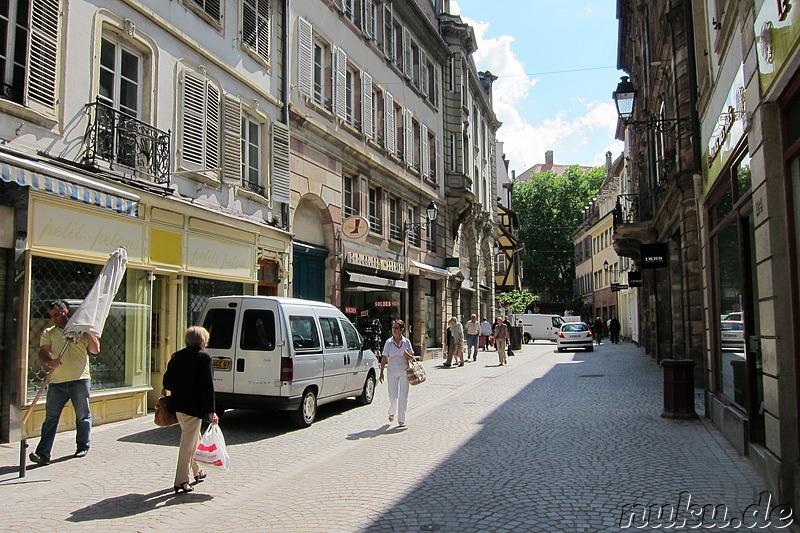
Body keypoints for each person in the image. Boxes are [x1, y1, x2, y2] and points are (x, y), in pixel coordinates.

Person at [29, 300, 100, 466]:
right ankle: (43, 454)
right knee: (51, 418)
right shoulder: (50, 332)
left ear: (65, 311)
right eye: (51, 316)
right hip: (57, 382)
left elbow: (95, 349)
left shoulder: (80, 330)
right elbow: (43, 353)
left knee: (82, 416)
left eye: (56, 314)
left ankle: (83, 446)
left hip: (79, 380)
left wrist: (88, 331)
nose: (54, 318)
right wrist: (48, 362)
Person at [163, 326, 219, 494]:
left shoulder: (177, 356)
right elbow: (208, 387)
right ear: (202, 341)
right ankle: (181, 480)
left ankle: (197, 470)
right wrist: (212, 411)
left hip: (179, 406)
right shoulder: (204, 358)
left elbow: (167, 382)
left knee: (193, 439)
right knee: (187, 444)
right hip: (194, 408)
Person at [379, 320, 415, 427]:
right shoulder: (388, 343)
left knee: (403, 396)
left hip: (404, 372)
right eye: (393, 328)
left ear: (401, 330)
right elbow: (384, 357)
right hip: (392, 372)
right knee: (393, 396)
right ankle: (391, 411)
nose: (394, 330)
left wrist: (407, 354)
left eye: (396, 328)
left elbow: (412, 358)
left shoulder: (406, 342)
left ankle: (401, 419)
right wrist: (381, 372)